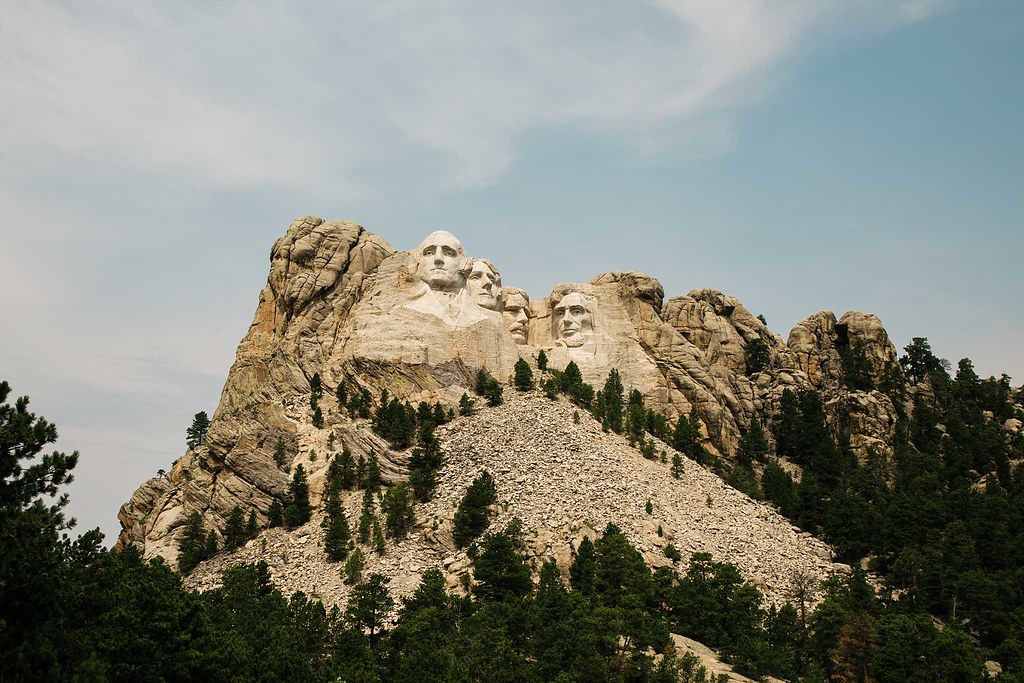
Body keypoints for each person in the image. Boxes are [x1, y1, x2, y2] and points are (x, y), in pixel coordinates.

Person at [404, 230, 488, 327]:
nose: (438, 259)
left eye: (448, 253)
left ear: (463, 262)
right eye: (429, 253)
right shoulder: (405, 310)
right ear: (418, 262)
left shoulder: (489, 317)